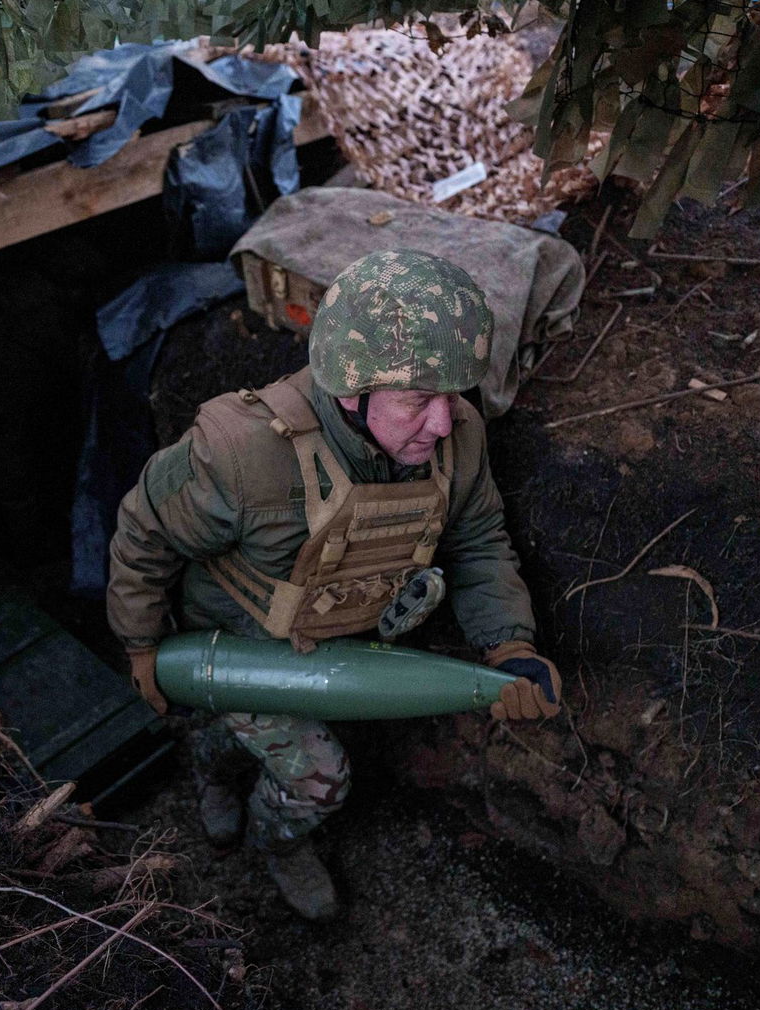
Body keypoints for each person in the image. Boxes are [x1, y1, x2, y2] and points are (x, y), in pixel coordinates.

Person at [105, 249, 561, 921]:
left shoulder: (456, 438)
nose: (443, 423)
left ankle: (219, 757)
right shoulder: (243, 454)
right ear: (352, 389)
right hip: (237, 641)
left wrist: (510, 646)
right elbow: (145, 530)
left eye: (453, 395)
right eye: (418, 400)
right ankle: (277, 840)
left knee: (252, 733)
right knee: (321, 778)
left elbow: (478, 539)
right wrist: (141, 641)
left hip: (338, 637)